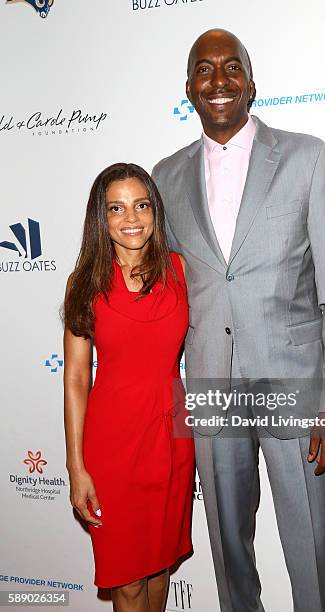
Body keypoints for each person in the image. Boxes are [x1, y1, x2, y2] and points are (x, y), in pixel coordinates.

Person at [152, 29, 325, 612]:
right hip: (212, 392)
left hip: (296, 391)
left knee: (312, 552)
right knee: (229, 558)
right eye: (204, 70)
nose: (218, 81)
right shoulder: (164, 178)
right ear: (188, 88)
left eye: (231, 68)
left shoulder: (308, 157)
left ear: (250, 82)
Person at [62, 163, 194, 612]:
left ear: (155, 211)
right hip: (113, 444)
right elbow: (77, 378)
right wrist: (76, 466)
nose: (131, 218)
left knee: (159, 571)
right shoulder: (86, 283)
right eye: (116, 208)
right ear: (101, 217)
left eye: (141, 205)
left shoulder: (180, 271)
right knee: (129, 582)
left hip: (173, 437)